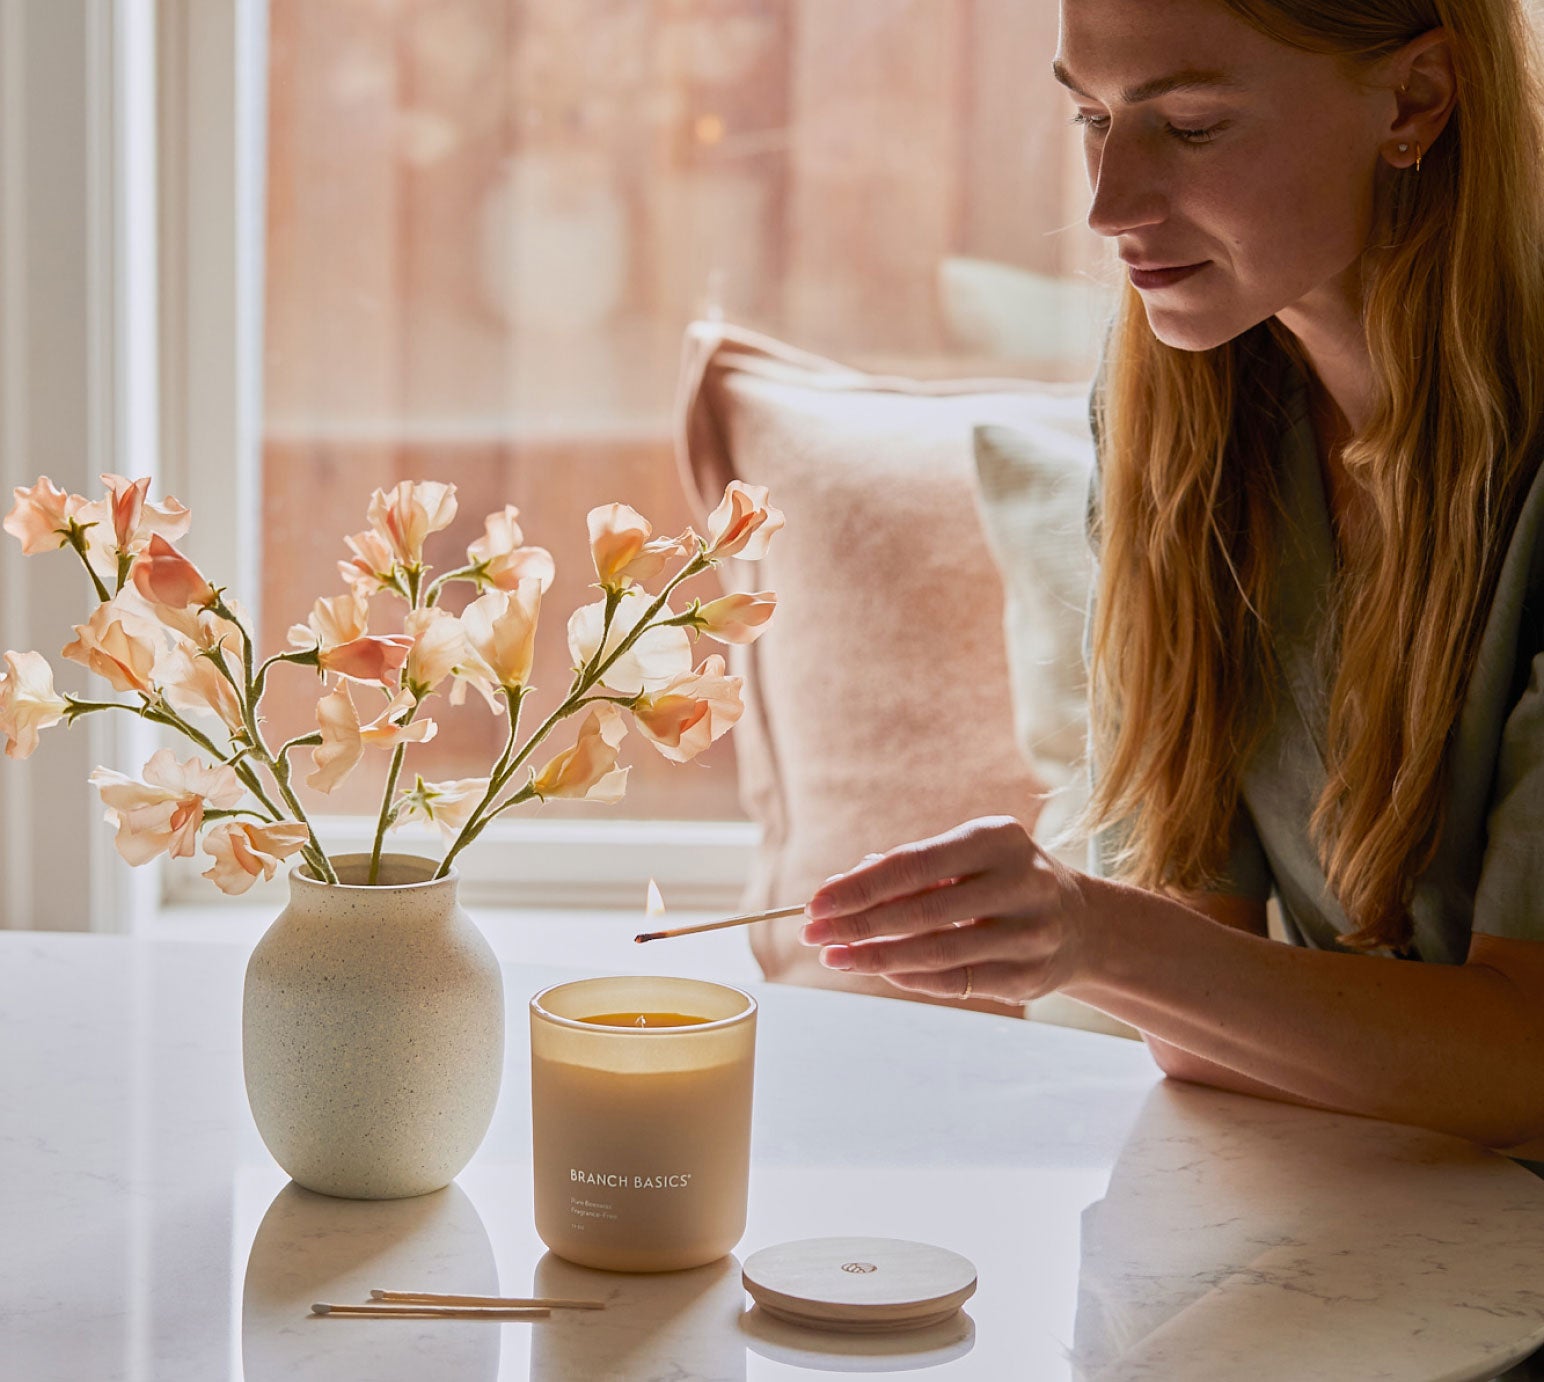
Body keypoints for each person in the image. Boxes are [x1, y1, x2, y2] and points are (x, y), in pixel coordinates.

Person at [799, 0, 1544, 1172]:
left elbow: (1523, 1064)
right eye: (1092, 116)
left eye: (1190, 126)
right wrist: (1116, 949)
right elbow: (1195, 1033)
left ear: (1413, 103)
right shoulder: (1180, 408)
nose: (1107, 206)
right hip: (1356, 1193)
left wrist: (1097, 936)